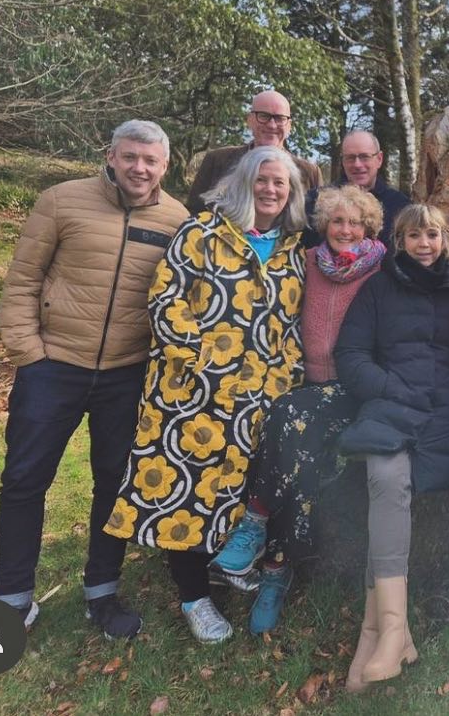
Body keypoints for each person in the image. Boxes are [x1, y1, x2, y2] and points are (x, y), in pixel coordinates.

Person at [104, 146, 308, 644]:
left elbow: (293, 328)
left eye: (281, 183)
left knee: (239, 491)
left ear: (293, 193)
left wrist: (281, 379)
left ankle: (226, 567)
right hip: (189, 392)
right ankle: (194, 597)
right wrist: (201, 362)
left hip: (258, 398)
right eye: (263, 180)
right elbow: (167, 299)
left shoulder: (293, 250)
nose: (271, 190)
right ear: (243, 182)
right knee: (185, 493)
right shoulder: (203, 232)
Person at [0, 120, 187, 637]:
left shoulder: (178, 220)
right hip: (53, 366)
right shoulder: (61, 200)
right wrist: (28, 352)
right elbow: (23, 278)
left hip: (127, 375)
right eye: (130, 157)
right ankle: (13, 599)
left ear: (165, 166)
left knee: (114, 484)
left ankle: (102, 592)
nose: (139, 168)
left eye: (150, 161)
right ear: (111, 156)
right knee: (23, 481)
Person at [208, 185, 386, 636]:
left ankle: (255, 521)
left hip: (352, 388)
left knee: (285, 414)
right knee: (298, 454)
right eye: (338, 221)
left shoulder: (384, 268)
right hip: (305, 383)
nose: (346, 230)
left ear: (368, 228)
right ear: (324, 225)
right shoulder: (306, 261)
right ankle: (275, 571)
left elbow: (436, 255)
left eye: (355, 222)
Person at [333, 204, 449, 689]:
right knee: (385, 476)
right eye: (413, 235)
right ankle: (393, 629)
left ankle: (374, 633)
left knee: (405, 481)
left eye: (432, 234)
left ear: (446, 239)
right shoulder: (378, 288)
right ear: (399, 241)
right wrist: (391, 388)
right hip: (390, 404)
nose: (423, 244)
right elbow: (350, 355)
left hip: (443, 411)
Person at [186, 90, 321, 214]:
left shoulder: (309, 173)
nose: (272, 125)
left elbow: (318, 222)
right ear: (249, 120)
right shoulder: (217, 161)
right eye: (263, 116)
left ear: (289, 125)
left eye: (280, 118)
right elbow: (193, 213)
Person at [334, 130, 410, 248]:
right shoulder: (320, 202)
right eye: (350, 158)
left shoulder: (401, 206)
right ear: (343, 161)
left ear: (379, 159)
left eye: (364, 157)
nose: (357, 164)